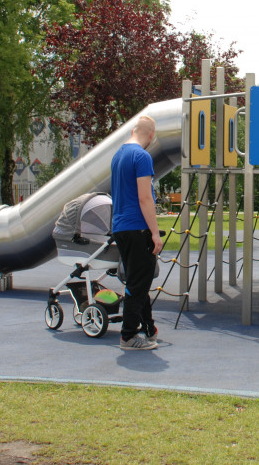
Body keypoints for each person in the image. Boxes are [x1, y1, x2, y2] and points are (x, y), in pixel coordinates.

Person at [111, 115, 164, 351]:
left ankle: (149, 328)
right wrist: (155, 232)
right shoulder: (141, 157)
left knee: (138, 282)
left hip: (121, 226)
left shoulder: (118, 155)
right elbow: (144, 197)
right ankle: (128, 335)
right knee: (137, 283)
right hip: (137, 226)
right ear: (151, 135)